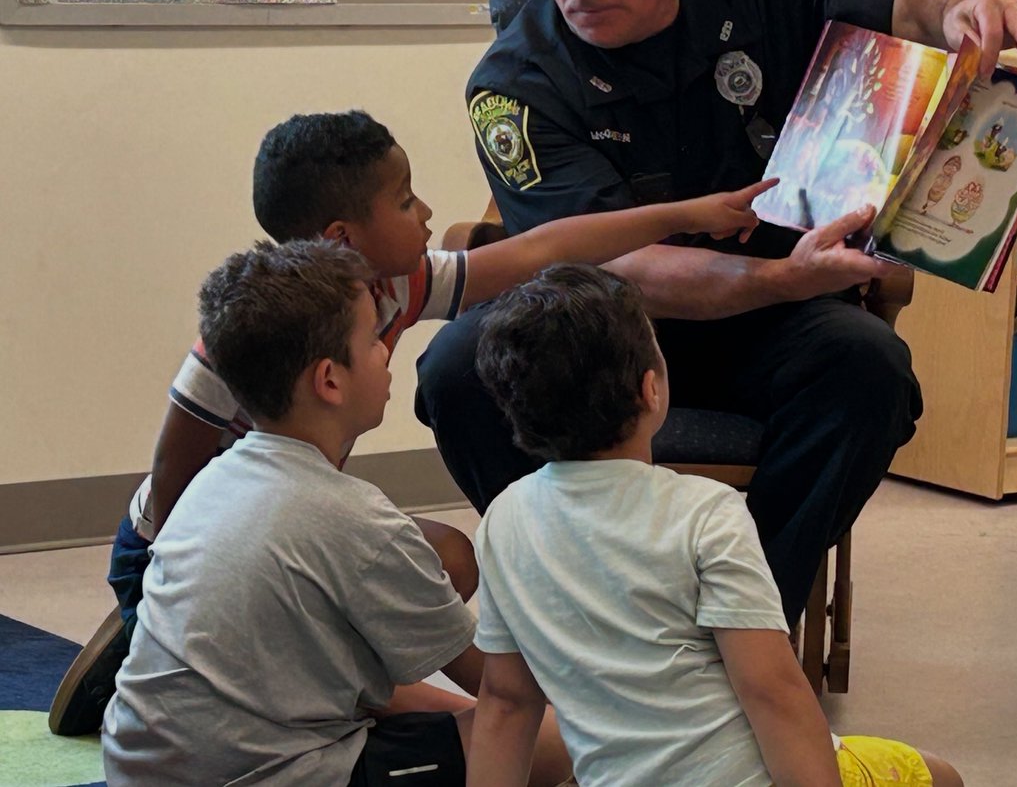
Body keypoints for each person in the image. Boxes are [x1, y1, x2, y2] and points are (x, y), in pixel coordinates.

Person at [416, 0, 1017, 626]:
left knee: (869, 367)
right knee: (456, 369)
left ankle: (744, 624)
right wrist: (783, 276)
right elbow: (627, 268)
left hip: (777, 321)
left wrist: (962, 8)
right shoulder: (512, 86)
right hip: (603, 325)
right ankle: (580, 616)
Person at [54, 109, 771, 736]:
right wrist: (178, 596)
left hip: (288, 534)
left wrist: (688, 214)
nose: (426, 212)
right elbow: (174, 488)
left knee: (447, 559)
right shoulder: (245, 335)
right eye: (403, 201)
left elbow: (544, 248)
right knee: (460, 691)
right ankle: (146, 638)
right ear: (343, 237)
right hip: (177, 553)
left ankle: (298, 680)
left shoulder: (395, 284)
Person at [468, 263, 963, 787]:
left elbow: (505, 701)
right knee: (938, 776)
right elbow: (772, 692)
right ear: (651, 390)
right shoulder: (706, 512)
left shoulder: (504, 520)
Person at [102, 240, 574, 785]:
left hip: (137, 767)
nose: (385, 350)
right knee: (559, 741)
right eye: (374, 337)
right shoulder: (359, 522)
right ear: (329, 380)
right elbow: (502, 690)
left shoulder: (213, 477)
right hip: (273, 772)